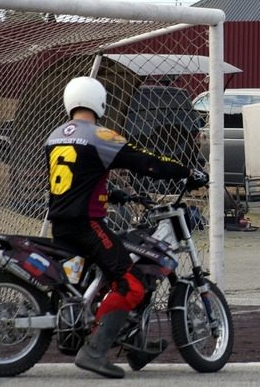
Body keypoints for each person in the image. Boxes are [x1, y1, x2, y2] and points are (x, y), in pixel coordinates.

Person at [45, 76, 209, 378]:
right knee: (130, 283)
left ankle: (133, 343)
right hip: (87, 225)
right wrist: (187, 171)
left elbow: (78, 178)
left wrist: (113, 194)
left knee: (103, 279)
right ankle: (94, 351)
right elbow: (145, 162)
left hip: (60, 224)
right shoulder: (99, 134)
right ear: (99, 102)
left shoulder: (55, 135)